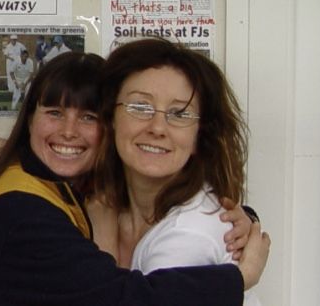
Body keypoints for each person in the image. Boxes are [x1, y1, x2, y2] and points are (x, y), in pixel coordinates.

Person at [0, 52, 267, 305]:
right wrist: (237, 278)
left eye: (88, 117)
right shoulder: (21, 215)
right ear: (30, 118)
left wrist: (234, 217)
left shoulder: (54, 180)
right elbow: (122, 299)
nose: (68, 132)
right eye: (53, 112)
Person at [88, 38, 261, 304]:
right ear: (110, 118)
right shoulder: (105, 201)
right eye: (140, 107)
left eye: (179, 114)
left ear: (199, 137)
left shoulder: (190, 234)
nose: (158, 127)